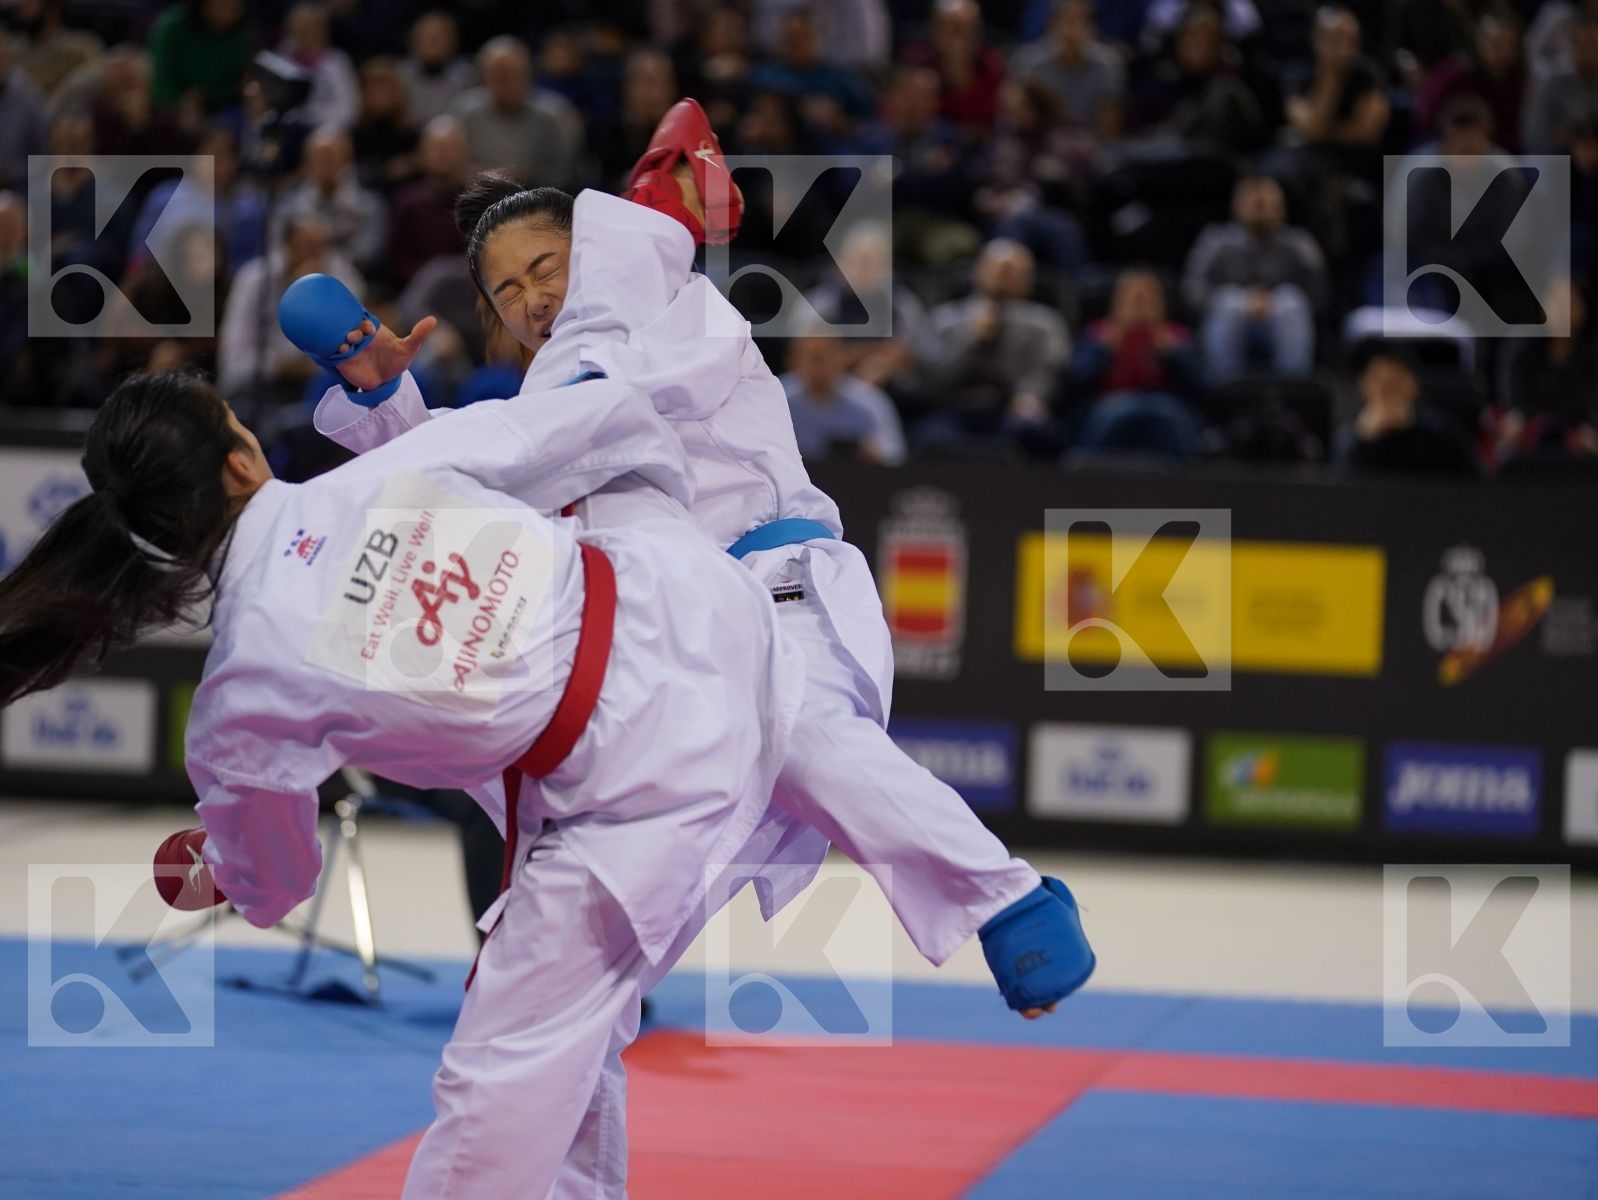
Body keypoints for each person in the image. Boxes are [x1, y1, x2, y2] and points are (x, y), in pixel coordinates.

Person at [313, 100, 1094, 998]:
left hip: (773, 590)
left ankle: (1005, 897)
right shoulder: (545, 394)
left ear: (597, 253)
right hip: (670, 656)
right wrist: (385, 405)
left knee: (800, 728)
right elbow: (486, 471)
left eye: (547, 267)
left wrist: (656, 218)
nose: (532, 299)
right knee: (594, 928)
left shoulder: (681, 312)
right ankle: (538, 1036)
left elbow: (538, 432)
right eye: (507, 292)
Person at [0, 361, 806, 1198]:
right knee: (564, 1037)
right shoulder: (382, 474)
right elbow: (609, 415)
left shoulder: (239, 697)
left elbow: (276, 886)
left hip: (643, 787)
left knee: (500, 1077)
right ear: (240, 461)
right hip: (705, 611)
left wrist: (224, 869)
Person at [913, 238, 1070, 453]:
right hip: (954, 408)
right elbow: (930, 379)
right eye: (1000, 270)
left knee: (1036, 431)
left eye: (1013, 272)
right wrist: (970, 339)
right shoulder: (945, 320)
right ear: (979, 271)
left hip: (1010, 409)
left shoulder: (1044, 324)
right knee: (931, 436)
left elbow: (1048, 373)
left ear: (1028, 279)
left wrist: (1029, 397)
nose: (1004, 278)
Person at [1183, 174, 1326, 383]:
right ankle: (1225, 385)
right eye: (1254, 203)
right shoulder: (1215, 241)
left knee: (1291, 300)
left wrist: (1271, 302)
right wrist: (1245, 300)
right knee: (1228, 300)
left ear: (1282, 208)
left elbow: (1320, 293)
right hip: (1230, 320)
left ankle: (1294, 386)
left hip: (1281, 321)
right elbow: (1192, 289)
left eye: (1267, 203)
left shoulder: (1299, 243)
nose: (1260, 208)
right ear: (1236, 206)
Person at [1065, 267, 1204, 458]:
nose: (1140, 304)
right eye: (1133, 298)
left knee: (1170, 416)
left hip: (1166, 402)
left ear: (1161, 303)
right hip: (1109, 402)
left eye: (1147, 298)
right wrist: (1103, 351)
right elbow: (1073, 383)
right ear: (1117, 302)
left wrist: (1173, 354)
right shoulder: (1097, 333)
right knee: (1111, 415)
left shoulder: (1177, 335)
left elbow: (1202, 386)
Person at [1334, 347, 1479, 477]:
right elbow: (1338, 490)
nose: (1388, 392)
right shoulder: (1349, 438)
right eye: (1379, 381)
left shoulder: (1441, 433)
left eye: (1396, 383)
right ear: (1363, 386)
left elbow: (1476, 485)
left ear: (1414, 384)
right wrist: (1364, 441)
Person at [780, 325, 907, 465]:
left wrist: (872, 451)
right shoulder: (778, 398)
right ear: (793, 360)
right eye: (811, 358)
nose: (818, 366)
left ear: (841, 358)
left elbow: (896, 454)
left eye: (826, 357)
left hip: (853, 475)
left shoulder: (868, 400)